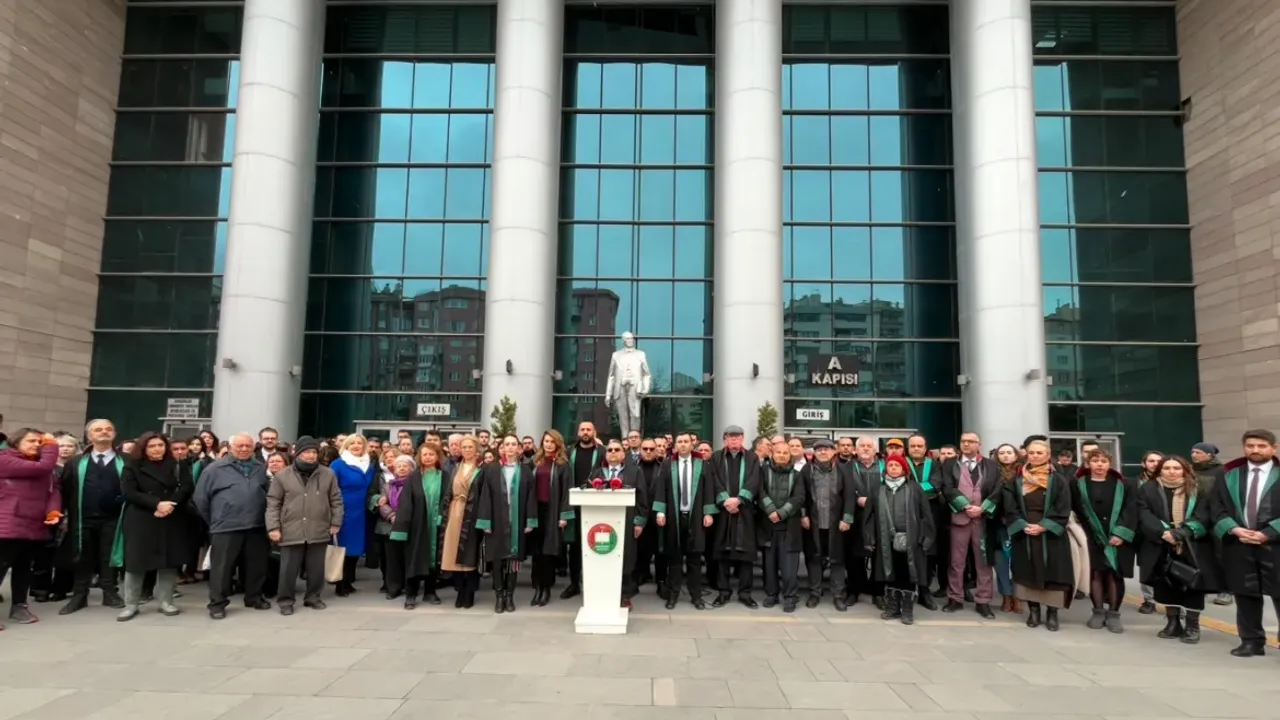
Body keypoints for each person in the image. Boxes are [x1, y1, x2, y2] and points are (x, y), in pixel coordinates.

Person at [1137, 455, 1220, 645]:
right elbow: (1144, 512)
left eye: (1176, 468)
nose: (1171, 472)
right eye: (1166, 468)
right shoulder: (1149, 488)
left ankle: (1192, 626)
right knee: (1166, 584)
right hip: (1162, 542)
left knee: (1193, 585)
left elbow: (1204, 513)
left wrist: (1182, 532)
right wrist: (1163, 532)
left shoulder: (1199, 488)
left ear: (1184, 469)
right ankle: (1173, 623)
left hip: (1193, 543)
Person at [1212, 429, 1280, 657]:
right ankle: (1251, 641)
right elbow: (1216, 506)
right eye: (1250, 446)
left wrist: (1268, 532)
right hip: (1239, 543)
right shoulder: (1229, 475)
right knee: (1245, 593)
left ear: (1274, 448)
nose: (1255, 450)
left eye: (1261, 446)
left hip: (1276, 545)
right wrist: (1233, 528)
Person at [116, 432, 194, 621]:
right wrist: (156, 504)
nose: (157, 449)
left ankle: (166, 601)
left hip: (171, 516)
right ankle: (131, 604)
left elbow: (186, 487)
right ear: (143, 448)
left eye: (160, 445)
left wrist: (169, 504)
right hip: (141, 517)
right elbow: (129, 491)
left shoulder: (177, 464)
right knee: (136, 561)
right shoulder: (133, 465)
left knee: (168, 560)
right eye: (152, 446)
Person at [194, 433, 273, 619]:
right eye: (240, 446)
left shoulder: (260, 468)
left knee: (257, 565)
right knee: (222, 568)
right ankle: (217, 603)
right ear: (230, 448)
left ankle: (254, 597)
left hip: (256, 525)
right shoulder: (215, 469)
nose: (244, 449)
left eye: (248, 446)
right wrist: (215, 519)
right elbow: (200, 499)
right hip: (226, 526)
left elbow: (267, 493)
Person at [267, 436, 342, 615]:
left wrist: (335, 521)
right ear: (298, 453)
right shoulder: (283, 475)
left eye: (314, 452)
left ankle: (313, 597)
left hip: (319, 527)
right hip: (290, 528)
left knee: (316, 568)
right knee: (288, 569)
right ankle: (286, 601)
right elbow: (273, 503)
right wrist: (273, 527)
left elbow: (336, 500)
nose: (311, 455)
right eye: (307, 452)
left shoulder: (328, 474)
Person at [58, 419, 126, 614]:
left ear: (114, 434)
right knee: (82, 556)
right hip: (82, 518)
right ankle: (80, 595)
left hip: (114, 518)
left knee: (109, 556)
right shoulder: (75, 463)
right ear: (89, 436)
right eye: (98, 429)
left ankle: (110, 592)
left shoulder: (127, 461)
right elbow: (65, 491)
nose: (104, 432)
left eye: (108, 429)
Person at [1006, 439, 1075, 631]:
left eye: (1039, 453)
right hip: (1025, 531)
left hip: (1051, 534)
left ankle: (1052, 613)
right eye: (1032, 453)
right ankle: (1034, 611)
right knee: (1028, 572)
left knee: (1054, 572)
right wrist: (1022, 524)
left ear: (1047, 455)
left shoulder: (1058, 479)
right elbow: (1010, 505)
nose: (1035, 456)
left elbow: (1063, 506)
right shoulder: (1017, 479)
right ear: (1026, 455)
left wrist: (1044, 526)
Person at [1072, 448, 1137, 633]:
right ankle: (1098, 611)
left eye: (1103, 461)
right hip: (1091, 536)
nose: (1099, 465)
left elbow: (1131, 510)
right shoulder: (1077, 484)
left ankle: (1114, 614)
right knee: (1095, 574)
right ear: (1088, 464)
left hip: (1117, 537)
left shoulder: (1124, 484)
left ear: (1110, 463)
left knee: (1114, 574)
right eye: (1095, 461)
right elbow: (1074, 508)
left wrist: (1120, 534)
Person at [0, 429, 61, 627]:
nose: (37, 445)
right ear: (16, 442)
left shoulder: (40, 464)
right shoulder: (5, 459)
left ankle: (19, 606)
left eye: (39, 442)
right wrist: (51, 445)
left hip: (32, 524)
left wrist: (53, 511)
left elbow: (53, 489)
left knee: (23, 568)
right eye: (31, 441)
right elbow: (45, 467)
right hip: (8, 523)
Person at [864, 454, 934, 625]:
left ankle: (907, 609)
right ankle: (893, 607)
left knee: (908, 574)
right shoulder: (878, 489)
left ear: (904, 469)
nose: (893, 468)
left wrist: (925, 538)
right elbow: (868, 516)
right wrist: (869, 538)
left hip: (911, 540)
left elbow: (925, 514)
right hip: (885, 540)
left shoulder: (914, 489)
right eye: (890, 465)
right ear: (885, 469)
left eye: (897, 465)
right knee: (890, 573)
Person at [940, 433, 1002, 619]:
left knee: (984, 562)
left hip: (982, 520)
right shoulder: (950, 464)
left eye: (970, 441)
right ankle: (955, 598)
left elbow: (997, 489)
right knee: (956, 561)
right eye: (963, 441)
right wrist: (965, 506)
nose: (966, 444)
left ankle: (983, 601)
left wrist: (983, 508)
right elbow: (947, 487)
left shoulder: (992, 465)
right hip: (959, 518)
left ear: (979, 445)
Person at [653, 432, 716, 610]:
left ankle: (696, 595)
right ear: (675, 445)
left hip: (695, 516)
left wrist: (708, 513)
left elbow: (709, 489)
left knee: (695, 558)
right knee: (674, 558)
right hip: (674, 516)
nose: (682, 444)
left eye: (686, 441)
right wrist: (660, 512)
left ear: (691, 444)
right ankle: (673, 594)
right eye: (679, 441)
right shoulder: (668, 464)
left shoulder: (702, 464)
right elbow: (661, 488)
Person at [475, 435, 538, 613]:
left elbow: (531, 497)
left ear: (519, 448)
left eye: (513, 444)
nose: (510, 447)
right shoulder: (492, 469)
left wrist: (530, 520)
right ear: (501, 448)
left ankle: (509, 596)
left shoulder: (525, 470)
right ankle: (499, 596)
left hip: (516, 519)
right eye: (507, 444)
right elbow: (485, 495)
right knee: (497, 560)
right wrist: (485, 521)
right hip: (496, 519)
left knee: (513, 561)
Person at [799, 438, 855, 611]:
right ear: (814, 453)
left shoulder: (843, 470)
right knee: (814, 558)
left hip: (836, 523)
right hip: (813, 523)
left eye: (827, 449)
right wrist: (803, 515)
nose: (823, 452)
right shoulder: (806, 469)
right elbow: (801, 494)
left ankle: (838, 595)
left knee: (838, 559)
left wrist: (847, 518)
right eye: (819, 449)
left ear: (833, 452)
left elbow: (849, 495)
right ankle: (814, 593)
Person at [710, 426, 760, 609]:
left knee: (746, 556)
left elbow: (754, 481)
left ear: (743, 439)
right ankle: (723, 592)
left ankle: (745, 593)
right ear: (725, 439)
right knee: (722, 554)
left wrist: (739, 500)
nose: (734, 440)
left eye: (738, 437)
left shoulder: (752, 457)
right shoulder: (716, 457)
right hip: (723, 511)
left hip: (744, 511)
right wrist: (725, 500)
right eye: (731, 437)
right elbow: (714, 480)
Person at [392, 442, 447, 609]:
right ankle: (411, 594)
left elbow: (447, 499)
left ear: (437, 457)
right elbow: (405, 503)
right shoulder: (413, 477)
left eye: (431, 454)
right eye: (425, 454)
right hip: (417, 524)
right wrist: (402, 527)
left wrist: (443, 517)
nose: (428, 457)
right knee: (414, 557)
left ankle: (430, 591)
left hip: (437, 524)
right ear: (420, 457)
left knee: (434, 558)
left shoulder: (445, 476)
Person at [30, 433, 78, 604]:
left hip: (71, 513)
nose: (65, 449)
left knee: (66, 553)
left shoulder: (78, 466)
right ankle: (40, 588)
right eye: (61, 446)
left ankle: (61, 588)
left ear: (75, 449)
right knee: (43, 552)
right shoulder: (45, 466)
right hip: (45, 512)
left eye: (69, 446)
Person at [329, 434, 377, 596]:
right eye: (352, 443)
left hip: (363, 513)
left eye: (360, 443)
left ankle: (348, 581)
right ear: (346, 446)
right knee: (343, 549)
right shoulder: (338, 464)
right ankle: (340, 583)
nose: (356, 446)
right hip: (345, 512)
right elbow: (330, 489)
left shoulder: (369, 465)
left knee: (357, 549)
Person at [528, 431, 572, 606]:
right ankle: (537, 588)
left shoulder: (562, 465)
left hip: (552, 511)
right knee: (537, 552)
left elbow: (567, 491)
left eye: (552, 442)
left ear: (557, 444)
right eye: (546, 441)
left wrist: (564, 515)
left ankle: (546, 589)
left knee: (548, 552)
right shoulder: (534, 462)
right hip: (535, 509)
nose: (548, 444)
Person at [441, 435, 484, 608]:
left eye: (470, 447)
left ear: (476, 449)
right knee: (453, 552)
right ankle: (459, 590)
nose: (466, 450)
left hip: (472, 511)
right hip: (454, 511)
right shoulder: (454, 467)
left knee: (469, 552)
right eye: (464, 447)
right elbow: (447, 491)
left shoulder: (482, 468)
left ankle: (470, 591)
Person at [563, 422, 604, 599]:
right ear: (578, 432)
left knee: (596, 542)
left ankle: (596, 583)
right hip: (574, 504)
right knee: (575, 546)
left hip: (596, 504)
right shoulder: (569, 452)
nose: (585, 432)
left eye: (589, 429)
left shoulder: (603, 451)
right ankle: (574, 584)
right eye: (583, 429)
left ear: (594, 432)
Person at [371, 455, 414, 598]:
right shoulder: (387, 486)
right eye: (399, 466)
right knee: (392, 559)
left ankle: (409, 586)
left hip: (409, 525)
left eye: (405, 466)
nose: (401, 469)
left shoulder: (415, 485)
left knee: (407, 557)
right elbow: (382, 505)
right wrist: (391, 516)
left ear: (411, 469)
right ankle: (393, 588)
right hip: (390, 526)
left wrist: (403, 517)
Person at [990, 444, 1022, 612]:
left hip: (1019, 524)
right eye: (1002, 453)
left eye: (1009, 452)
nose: (1006, 456)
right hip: (997, 524)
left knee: (1019, 563)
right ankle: (1006, 596)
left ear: (1016, 455)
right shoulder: (992, 472)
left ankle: (1018, 596)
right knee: (1001, 562)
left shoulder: (1024, 472)